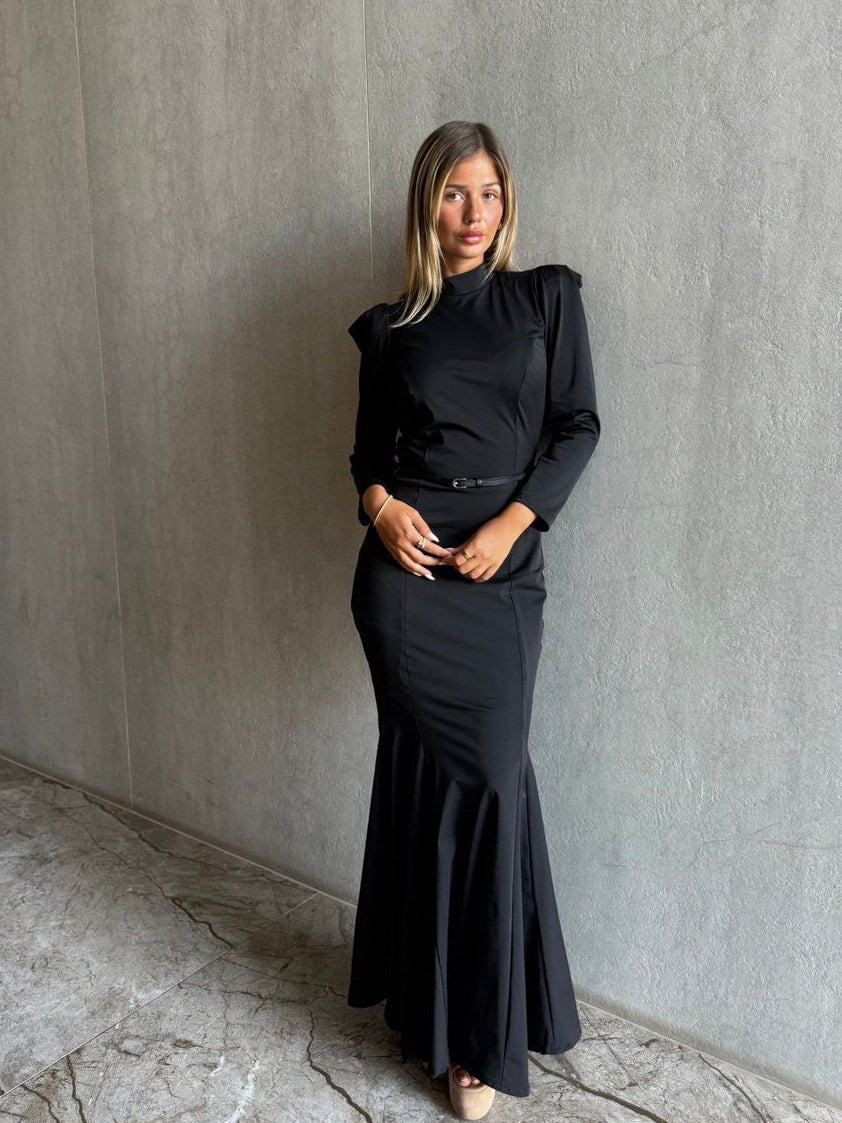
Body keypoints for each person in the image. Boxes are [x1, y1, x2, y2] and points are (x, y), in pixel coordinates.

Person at [345, 120, 601, 1120]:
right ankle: (441, 1024)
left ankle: (479, 1026)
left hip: (503, 567)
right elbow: (365, 457)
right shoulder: (389, 329)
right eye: (454, 192)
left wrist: (511, 521)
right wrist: (379, 507)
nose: (473, 213)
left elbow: (577, 425)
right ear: (426, 203)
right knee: (427, 784)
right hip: (404, 581)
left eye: (488, 192)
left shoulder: (546, 299)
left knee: (492, 776)